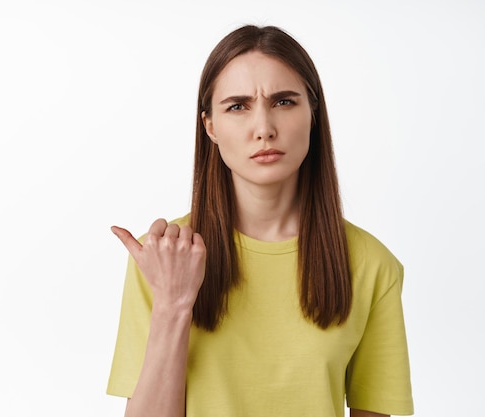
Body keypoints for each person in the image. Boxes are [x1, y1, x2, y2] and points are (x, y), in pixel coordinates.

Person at [106, 24, 414, 417]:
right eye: (238, 106)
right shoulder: (166, 255)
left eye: (284, 102)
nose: (264, 129)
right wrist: (173, 302)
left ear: (313, 113)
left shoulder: (372, 265)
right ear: (210, 126)